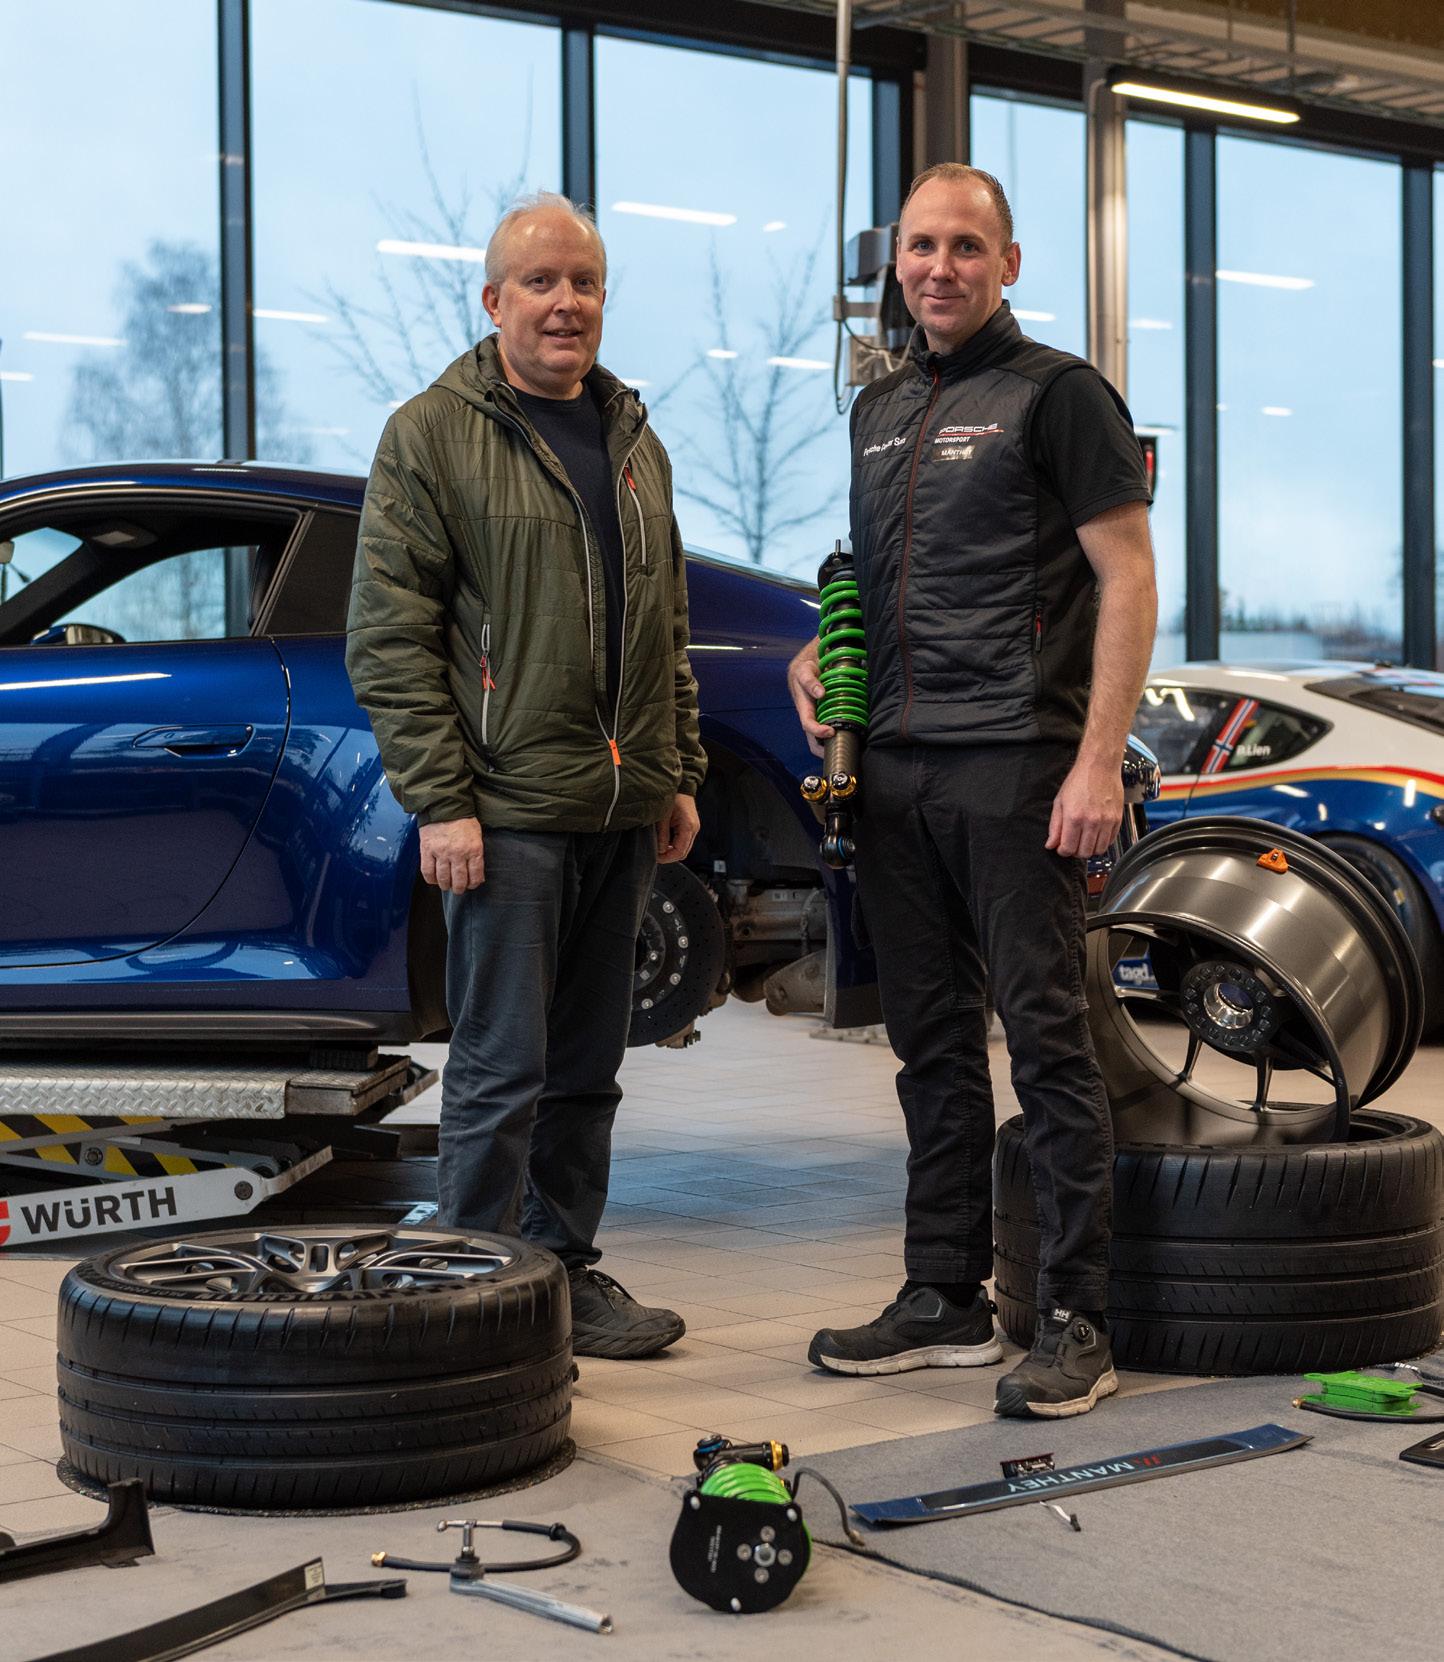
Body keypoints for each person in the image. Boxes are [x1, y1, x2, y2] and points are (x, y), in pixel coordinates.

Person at [788, 163, 1157, 1417]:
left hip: (1014, 758)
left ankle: (1075, 1317)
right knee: (928, 1043)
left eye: (962, 246)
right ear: (893, 262)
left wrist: (1096, 759)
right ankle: (941, 1295)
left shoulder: (1059, 395)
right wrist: (822, 654)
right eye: (918, 247)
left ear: (1007, 262)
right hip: (892, 765)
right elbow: (877, 575)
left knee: (1046, 1040)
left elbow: (1127, 578)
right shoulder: (878, 409)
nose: (937, 268)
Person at [347, 191, 704, 1359]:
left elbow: (663, 624)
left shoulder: (633, 440)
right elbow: (389, 639)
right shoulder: (432, 434)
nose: (565, 303)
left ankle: (562, 1275)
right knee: (502, 1070)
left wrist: (676, 769)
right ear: (493, 300)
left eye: (584, 282)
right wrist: (440, 800)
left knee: (588, 1072)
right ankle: (465, 1296)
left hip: (620, 807)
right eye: (540, 283)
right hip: (504, 810)